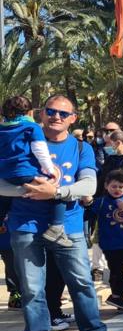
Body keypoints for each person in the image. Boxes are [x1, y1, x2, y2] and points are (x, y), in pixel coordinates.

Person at [0, 94, 120, 331]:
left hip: (70, 228)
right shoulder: (20, 137)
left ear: (73, 119)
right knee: (31, 289)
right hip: (25, 227)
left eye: (63, 114)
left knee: (81, 284)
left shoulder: (81, 148)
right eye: (51, 111)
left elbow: (88, 186)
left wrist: (55, 192)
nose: (56, 117)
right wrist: (30, 191)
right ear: (41, 114)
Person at [0, 95, 68, 246]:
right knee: (57, 192)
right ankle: (56, 227)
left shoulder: (1, 128)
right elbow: (40, 151)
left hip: (5, 174)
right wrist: (50, 170)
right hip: (25, 171)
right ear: (29, 112)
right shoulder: (31, 127)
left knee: (4, 198)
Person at [91, 169, 123, 312]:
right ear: (106, 186)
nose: (117, 190)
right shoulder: (101, 202)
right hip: (111, 245)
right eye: (114, 186)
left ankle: (116, 295)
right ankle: (120, 301)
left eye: (121, 186)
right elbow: (89, 214)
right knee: (116, 274)